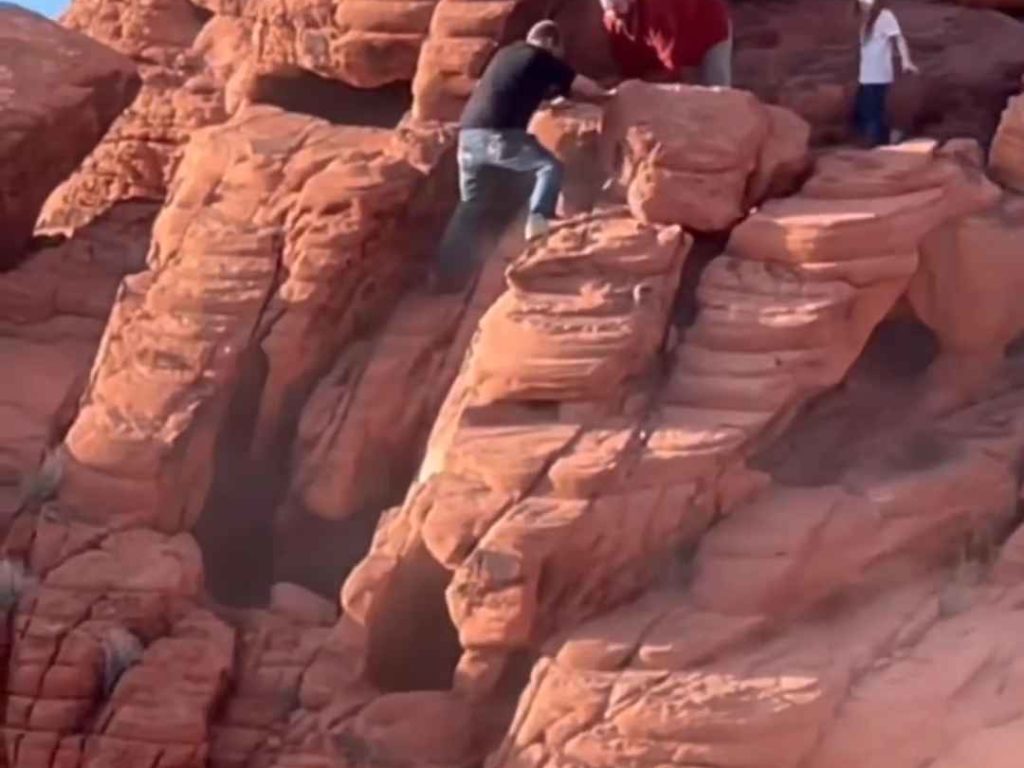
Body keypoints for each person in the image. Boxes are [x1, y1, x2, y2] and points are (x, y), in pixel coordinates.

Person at [431, 20, 613, 293]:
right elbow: (582, 85)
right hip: (498, 137)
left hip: (468, 140)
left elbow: (510, 92)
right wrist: (608, 96)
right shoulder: (540, 56)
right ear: (551, 43)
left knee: (470, 207)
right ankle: (539, 220)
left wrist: (551, 104)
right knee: (548, 167)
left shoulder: (506, 54)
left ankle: (443, 276)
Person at [599, 0, 732, 88]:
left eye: (616, 6)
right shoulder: (612, 20)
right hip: (678, 32)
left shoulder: (656, 11)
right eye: (610, 8)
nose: (613, 12)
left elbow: (673, 65)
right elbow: (629, 69)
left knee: (716, 91)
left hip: (710, 24)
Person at [853, 0, 918, 147]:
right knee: (867, 110)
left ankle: (880, 143)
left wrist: (906, 61)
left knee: (872, 110)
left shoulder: (885, 15)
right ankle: (888, 137)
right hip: (866, 75)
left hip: (878, 74)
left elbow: (899, 38)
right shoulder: (865, 20)